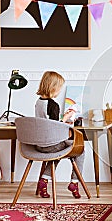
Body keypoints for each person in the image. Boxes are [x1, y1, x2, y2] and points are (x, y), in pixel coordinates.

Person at [34, 71, 85, 199]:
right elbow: (57, 127)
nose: (60, 91)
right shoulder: (53, 105)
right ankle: (74, 182)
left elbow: (48, 122)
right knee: (80, 150)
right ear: (53, 88)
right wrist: (66, 118)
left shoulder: (39, 102)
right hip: (51, 144)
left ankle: (44, 181)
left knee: (56, 154)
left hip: (39, 144)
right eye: (59, 88)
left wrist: (61, 119)